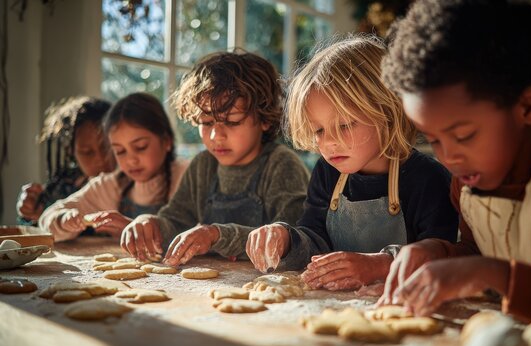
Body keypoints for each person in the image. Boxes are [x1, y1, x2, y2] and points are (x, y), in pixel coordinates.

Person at [378, 0, 531, 322]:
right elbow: (480, 254)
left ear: (528, 106)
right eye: (432, 139)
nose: (448, 157)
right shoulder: (467, 182)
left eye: (464, 136)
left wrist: (492, 273)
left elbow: (488, 268)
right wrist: (436, 251)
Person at [246, 34, 458, 291]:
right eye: (319, 130)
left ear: (387, 111)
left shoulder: (428, 179)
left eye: (344, 125)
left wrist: (379, 266)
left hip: (401, 306)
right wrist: (286, 238)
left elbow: (442, 256)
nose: (329, 142)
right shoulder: (327, 172)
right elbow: (316, 240)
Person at [120, 51, 310, 264]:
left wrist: (217, 235)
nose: (216, 136)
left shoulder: (281, 165)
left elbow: (291, 240)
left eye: (232, 121)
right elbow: (175, 220)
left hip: (266, 286)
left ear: (265, 119)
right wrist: (152, 224)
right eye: (207, 122)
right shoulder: (203, 165)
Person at [39, 92, 188, 241]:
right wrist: (64, 221)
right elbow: (47, 218)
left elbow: (202, 234)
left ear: (167, 141)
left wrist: (130, 227)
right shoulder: (109, 186)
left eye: (140, 147)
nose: (130, 160)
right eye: (120, 151)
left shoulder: (190, 176)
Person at [16, 96, 116, 226]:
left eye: (107, 147)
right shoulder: (64, 189)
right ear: (71, 152)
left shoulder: (136, 184)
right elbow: (38, 229)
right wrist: (30, 213)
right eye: (87, 152)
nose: (100, 159)